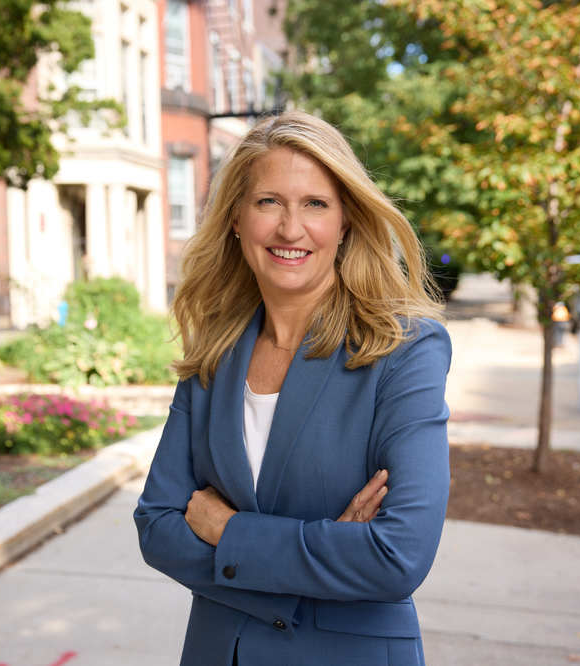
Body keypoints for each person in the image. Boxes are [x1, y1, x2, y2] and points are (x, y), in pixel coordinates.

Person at [133, 110, 451, 665]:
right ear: (235, 217)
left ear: (345, 221)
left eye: (315, 204)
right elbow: (157, 526)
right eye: (268, 202)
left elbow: (399, 555)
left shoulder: (404, 350)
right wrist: (325, 551)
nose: (290, 228)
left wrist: (228, 532)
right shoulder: (215, 349)